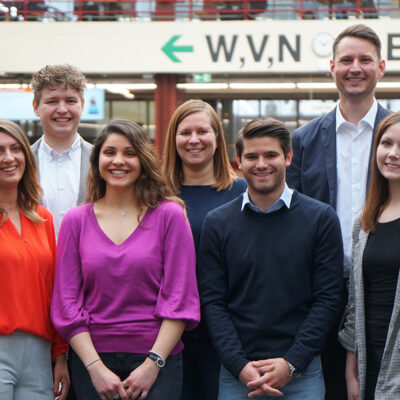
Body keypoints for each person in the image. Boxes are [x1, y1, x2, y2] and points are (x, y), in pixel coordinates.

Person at [51, 119, 200, 400]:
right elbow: (66, 303)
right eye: (110, 152)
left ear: (143, 160)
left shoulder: (170, 215)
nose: (118, 161)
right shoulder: (76, 220)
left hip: (158, 360)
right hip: (92, 361)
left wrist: (153, 365)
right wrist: (94, 367)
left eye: (130, 153)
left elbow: (181, 298)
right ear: (97, 161)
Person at [199, 117, 343, 399]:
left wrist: (292, 363)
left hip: (302, 373)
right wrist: (239, 365)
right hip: (237, 374)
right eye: (251, 156)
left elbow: (328, 299)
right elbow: (212, 301)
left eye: (271, 155)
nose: (261, 164)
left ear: (288, 157)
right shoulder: (217, 223)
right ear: (238, 161)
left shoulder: (321, 219)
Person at [286, 24, 391, 400]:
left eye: (365, 60)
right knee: (328, 386)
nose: (355, 68)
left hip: (385, 287)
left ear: (381, 66)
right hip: (322, 292)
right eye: (346, 60)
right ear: (332, 67)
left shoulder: (397, 136)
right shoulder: (302, 141)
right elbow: (292, 220)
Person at [162, 99, 246, 400]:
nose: (194, 140)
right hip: (168, 330)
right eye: (185, 133)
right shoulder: (156, 193)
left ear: (217, 137)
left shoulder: (242, 192)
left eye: (202, 131)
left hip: (228, 330)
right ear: (173, 139)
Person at [0, 119, 69, 400]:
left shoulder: (42, 217)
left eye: (15, 148)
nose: (8, 157)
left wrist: (61, 356)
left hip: (39, 355)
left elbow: (53, 288)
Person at [339, 112, 400, 400]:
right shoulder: (365, 221)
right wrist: (352, 367)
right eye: (386, 143)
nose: (393, 154)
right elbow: (355, 300)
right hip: (370, 361)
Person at [30, 64, 93, 238]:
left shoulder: (102, 162)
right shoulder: (18, 164)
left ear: (82, 104)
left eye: (70, 101)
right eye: (52, 101)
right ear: (36, 107)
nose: (62, 109)